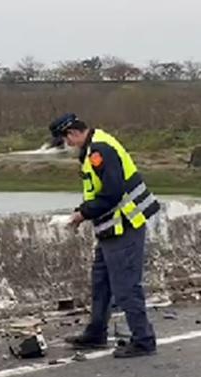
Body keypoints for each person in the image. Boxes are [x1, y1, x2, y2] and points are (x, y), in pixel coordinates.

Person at [49, 113, 160, 358]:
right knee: (101, 282)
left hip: (125, 224)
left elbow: (111, 192)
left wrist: (81, 215)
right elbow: (96, 191)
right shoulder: (94, 147)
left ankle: (143, 340)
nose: (67, 146)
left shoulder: (100, 151)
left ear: (72, 134)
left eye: (65, 140)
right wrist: (83, 211)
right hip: (110, 227)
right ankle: (96, 332)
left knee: (125, 286)